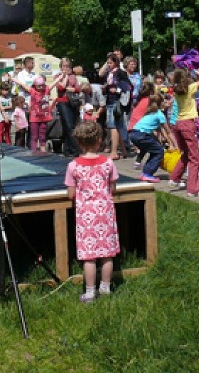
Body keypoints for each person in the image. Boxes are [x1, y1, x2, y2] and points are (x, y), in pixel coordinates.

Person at [64, 121, 119, 302]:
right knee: (106, 253)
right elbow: (113, 188)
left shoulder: (74, 166)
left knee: (89, 256)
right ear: (99, 140)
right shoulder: (108, 163)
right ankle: (105, 287)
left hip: (86, 215)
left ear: (79, 142)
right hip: (105, 212)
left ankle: (89, 291)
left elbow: (71, 193)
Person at [169, 65, 199, 196]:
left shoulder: (175, 90)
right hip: (188, 124)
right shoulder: (190, 89)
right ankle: (193, 189)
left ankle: (175, 178)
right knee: (194, 158)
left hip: (178, 124)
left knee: (185, 153)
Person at [128, 92, 176, 183]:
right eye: (164, 101)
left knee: (152, 149)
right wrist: (175, 145)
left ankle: (144, 171)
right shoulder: (160, 114)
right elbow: (168, 132)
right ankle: (147, 173)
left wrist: (168, 142)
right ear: (161, 103)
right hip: (141, 135)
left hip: (133, 134)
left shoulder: (150, 113)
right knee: (159, 151)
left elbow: (161, 131)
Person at [53, 57, 81, 156]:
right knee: (68, 125)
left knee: (72, 125)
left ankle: (67, 149)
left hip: (72, 102)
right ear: (61, 67)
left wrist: (74, 89)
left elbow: (78, 88)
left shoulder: (73, 76)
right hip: (63, 102)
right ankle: (74, 149)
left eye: (68, 66)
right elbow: (61, 87)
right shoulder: (57, 76)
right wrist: (64, 76)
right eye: (64, 66)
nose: (66, 68)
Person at [28, 75, 53, 151]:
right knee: (34, 136)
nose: (41, 88)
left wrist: (61, 77)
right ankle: (33, 151)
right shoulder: (32, 91)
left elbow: (54, 83)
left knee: (42, 136)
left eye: (42, 86)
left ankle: (43, 151)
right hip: (34, 117)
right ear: (35, 86)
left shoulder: (46, 90)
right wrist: (14, 79)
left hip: (43, 117)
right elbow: (23, 85)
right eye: (39, 86)